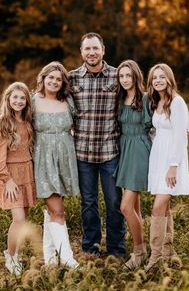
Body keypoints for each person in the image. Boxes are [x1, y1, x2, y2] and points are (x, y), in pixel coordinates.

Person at [69, 32, 125, 257]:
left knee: (113, 202)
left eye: (95, 48)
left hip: (110, 151)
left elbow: (137, 100)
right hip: (83, 152)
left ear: (103, 50)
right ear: (81, 52)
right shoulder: (71, 78)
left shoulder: (117, 75)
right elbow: (49, 95)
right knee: (88, 202)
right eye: (87, 49)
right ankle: (90, 247)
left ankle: (116, 250)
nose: (91, 53)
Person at [33, 61, 79, 268]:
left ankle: (50, 259)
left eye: (58, 79)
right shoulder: (32, 101)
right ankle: (68, 259)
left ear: (63, 83)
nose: (54, 81)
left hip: (64, 161)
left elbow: (82, 125)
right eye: (50, 77)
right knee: (57, 211)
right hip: (42, 160)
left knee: (53, 211)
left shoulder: (67, 101)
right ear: (42, 79)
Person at [145, 63, 189, 272]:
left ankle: (155, 258)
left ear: (169, 79)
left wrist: (173, 166)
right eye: (155, 78)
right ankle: (167, 252)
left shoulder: (177, 102)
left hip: (172, 160)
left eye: (162, 77)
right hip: (158, 157)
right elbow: (160, 131)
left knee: (157, 207)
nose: (158, 80)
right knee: (164, 207)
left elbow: (180, 137)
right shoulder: (157, 101)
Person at [0, 82, 36, 275]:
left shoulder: (28, 121)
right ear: (8, 99)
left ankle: (15, 253)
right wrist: (6, 179)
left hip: (27, 172)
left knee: (23, 218)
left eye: (22, 98)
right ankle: (11, 257)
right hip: (11, 176)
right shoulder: (2, 123)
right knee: (18, 219)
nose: (18, 101)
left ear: (27, 100)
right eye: (15, 97)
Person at [114, 60, 152, 269]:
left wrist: (179, 130)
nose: (125, 79)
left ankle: (139, 252)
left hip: (139, 151)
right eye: (122, 76)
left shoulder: (145, 99)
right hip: (124, 151)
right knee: (134, 206)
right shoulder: (120, 99)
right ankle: (142, 246)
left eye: (129, 75)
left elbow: (157, 123)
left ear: (136, 76)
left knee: (125, 206)